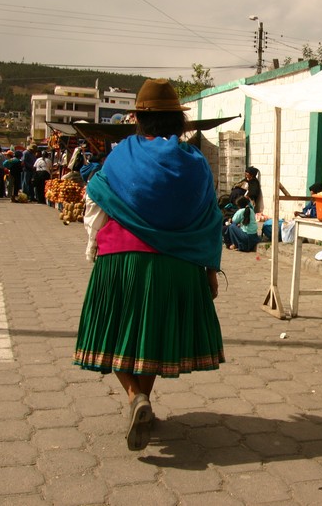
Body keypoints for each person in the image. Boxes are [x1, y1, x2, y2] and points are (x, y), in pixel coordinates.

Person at [73, 78, 224, 451]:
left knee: (117, 334)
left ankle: (133, 398)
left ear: (138, 117)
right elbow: (209, 217)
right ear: (179, 121)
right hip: (178, 266)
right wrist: (209, 267)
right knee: (153, 338)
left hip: (121, 260)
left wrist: (93, 248)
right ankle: (143, 401)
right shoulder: (194, 163)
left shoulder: (122, 154)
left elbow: (97, 203)